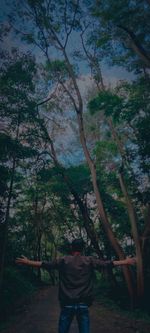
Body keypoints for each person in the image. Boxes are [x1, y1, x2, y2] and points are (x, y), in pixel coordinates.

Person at [16, 238, 136, 333]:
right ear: (82, 249)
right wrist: (125, 262)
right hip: (83, 304)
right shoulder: (89, 260)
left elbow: (45, 264)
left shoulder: (63, 260)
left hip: (67, 304)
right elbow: (107, 264)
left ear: (71, 248)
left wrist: (28, 262)